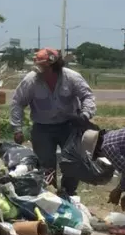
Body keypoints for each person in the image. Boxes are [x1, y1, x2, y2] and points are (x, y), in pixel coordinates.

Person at [9, 48, 96, 196]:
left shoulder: (72, 77)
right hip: (42, 128)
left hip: (69, 125)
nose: (39, 69)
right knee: (45, 164)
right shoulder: (31, 80)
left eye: (43, 66)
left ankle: (68, 193)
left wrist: (85, 114)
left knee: (73, 161)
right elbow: (17, 103)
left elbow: (87, 96)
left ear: (54, 65)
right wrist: (17, 128)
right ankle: (49, 193)